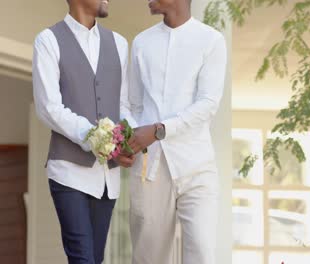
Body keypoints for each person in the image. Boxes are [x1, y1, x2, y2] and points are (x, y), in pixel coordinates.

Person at [32, 0, 137, 263]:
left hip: (106, 179)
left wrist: (125, 141)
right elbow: (48, 108)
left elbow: (123, 104)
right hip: (68, 172)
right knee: (82, 258)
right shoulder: (48, 40)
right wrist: (98, 140)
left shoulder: (120, 44)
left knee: (96, 258)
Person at [126, 0, 227, 263]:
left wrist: (160, 130)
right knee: (149, 257)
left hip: (197, 166)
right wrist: (129, 138)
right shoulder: (141, 42)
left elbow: (207, 103)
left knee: (202, 253)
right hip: (150, 166)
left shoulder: (211, 40)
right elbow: (133, 104)